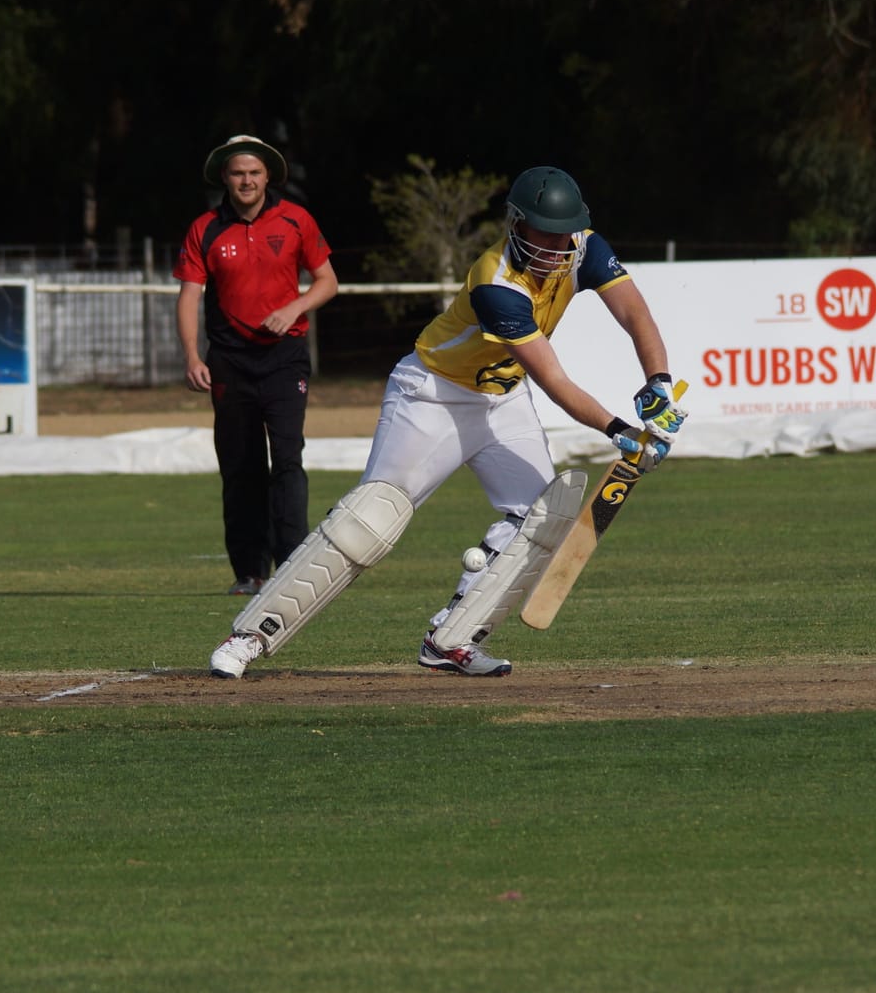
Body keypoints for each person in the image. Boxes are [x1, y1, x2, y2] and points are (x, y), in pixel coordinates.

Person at [208, 164, 687, 679]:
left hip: (502, 399)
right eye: (545, 235)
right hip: (433, 395)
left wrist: (658, 383)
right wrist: (620, 431)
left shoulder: (586, 248)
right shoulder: (496, 283)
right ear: (516, 226)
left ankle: (451, 640)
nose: (556, 248)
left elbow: (636, 315)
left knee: (541, 518)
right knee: (369, 521)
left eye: (564, 234)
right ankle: (249, 636)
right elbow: (553, 379)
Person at [175, 134, 340, 595]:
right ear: (224, 178)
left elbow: (327, 281)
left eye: (254, 172)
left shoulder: (296, 219)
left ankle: (292, 567)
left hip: (285, 358)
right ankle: (249, 572)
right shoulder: (204, 228)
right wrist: (191, 355)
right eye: (237, 173)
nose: (246, 181)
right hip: (229, 362)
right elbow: (189, 295)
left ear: (268, 176)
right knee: (240, 465)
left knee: (287, 458)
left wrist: (295, 307)